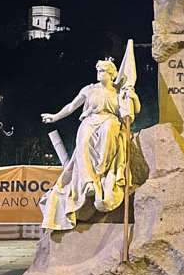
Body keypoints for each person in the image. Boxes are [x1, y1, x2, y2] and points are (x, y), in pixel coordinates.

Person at [39, 58, 140, 231]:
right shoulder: (89, 89)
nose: (99, 73)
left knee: (109, 131)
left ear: (111, 74)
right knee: (83, 141)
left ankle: (102, 176)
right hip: (90, 120)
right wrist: (55, 116)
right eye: (98, 70)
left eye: (103, 71)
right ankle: (88, 183)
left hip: (110, 120)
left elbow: (134, 110)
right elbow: (71, 106)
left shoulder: (118, 92)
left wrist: (133, 96)